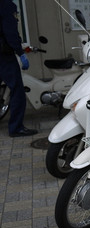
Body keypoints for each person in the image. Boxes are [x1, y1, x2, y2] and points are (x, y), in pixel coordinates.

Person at [0, 0, 37, 137]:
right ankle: (16, 128)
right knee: (17, 91)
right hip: (4, 57)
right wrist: (20, 53)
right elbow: (10, 31)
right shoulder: (6, 5)